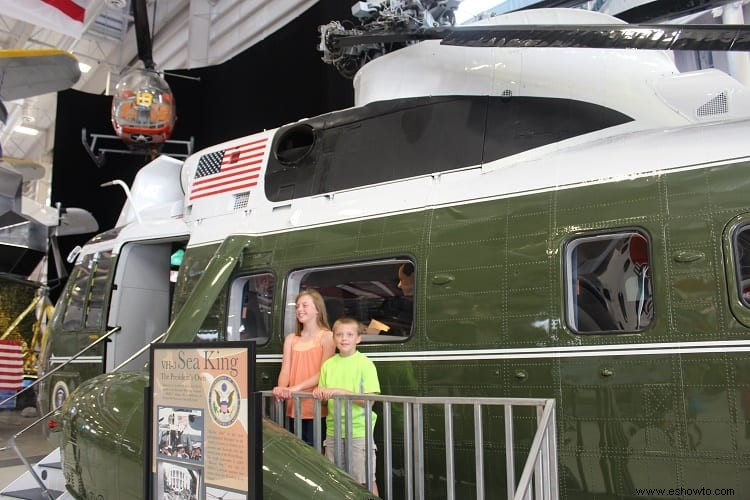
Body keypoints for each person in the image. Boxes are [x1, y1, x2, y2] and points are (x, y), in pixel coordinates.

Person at [314, 317, 381, 495]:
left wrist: (339, 391)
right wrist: (319, 394)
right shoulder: (328, 365)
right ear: (334, 338)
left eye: (349, 334)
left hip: (359, 432)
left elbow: (370, 400)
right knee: (336, 479)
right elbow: (323, 398)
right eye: (339, 334)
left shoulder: (365, 364)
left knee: (365, 480)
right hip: (333, 431)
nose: (344, 338)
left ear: (358, 338)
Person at [272, 290, 335, 447]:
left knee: (316, 450)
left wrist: (295, 388)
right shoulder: (291, 339)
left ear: (317, 309)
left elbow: (323, 372)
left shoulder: (327, 337)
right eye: (297, 306)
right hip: (294, 404)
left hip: (316, 405)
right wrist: (281, 388)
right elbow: (285, 369)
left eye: (305, 305)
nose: (300, 309)